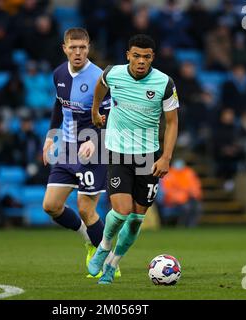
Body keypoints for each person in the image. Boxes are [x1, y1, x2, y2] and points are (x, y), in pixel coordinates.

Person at [89, 34, 179, 284]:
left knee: (137, 219)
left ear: (153, 58)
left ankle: (112, 264)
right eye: (136, 55)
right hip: (118, 151)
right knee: (121, 211)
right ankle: (104, 247)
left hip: (149, 156)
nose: (141, 61)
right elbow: (100, 84)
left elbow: (172, 123)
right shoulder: (113, 73)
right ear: (128, 54)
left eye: (146, 57)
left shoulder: (165, 83)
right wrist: (95, 111)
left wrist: (165, 157)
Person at [42, 28, 119, 278]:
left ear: (88, 48)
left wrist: (95, 142)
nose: (78, 52)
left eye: (82, 47)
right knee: (51, 206)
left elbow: (112, 116)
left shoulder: (100, 78)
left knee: (86, 209)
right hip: (66, 149)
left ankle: (109, 263)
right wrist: (50, 138)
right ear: (64, 48)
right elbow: (58, 105)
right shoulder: (59, 74)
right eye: (73, 47)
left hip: (93, 150)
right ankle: (89, 241)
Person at [159, 158, 202, 227]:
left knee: (198, 207)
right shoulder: (168, 174)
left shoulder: (189, 173)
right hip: (174, 201)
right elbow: (167, 190)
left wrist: (193, 194)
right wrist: (182, 196)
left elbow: (195, 186)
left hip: (189, 198)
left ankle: (192, 226)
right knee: (186, 208)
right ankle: (182, 225)